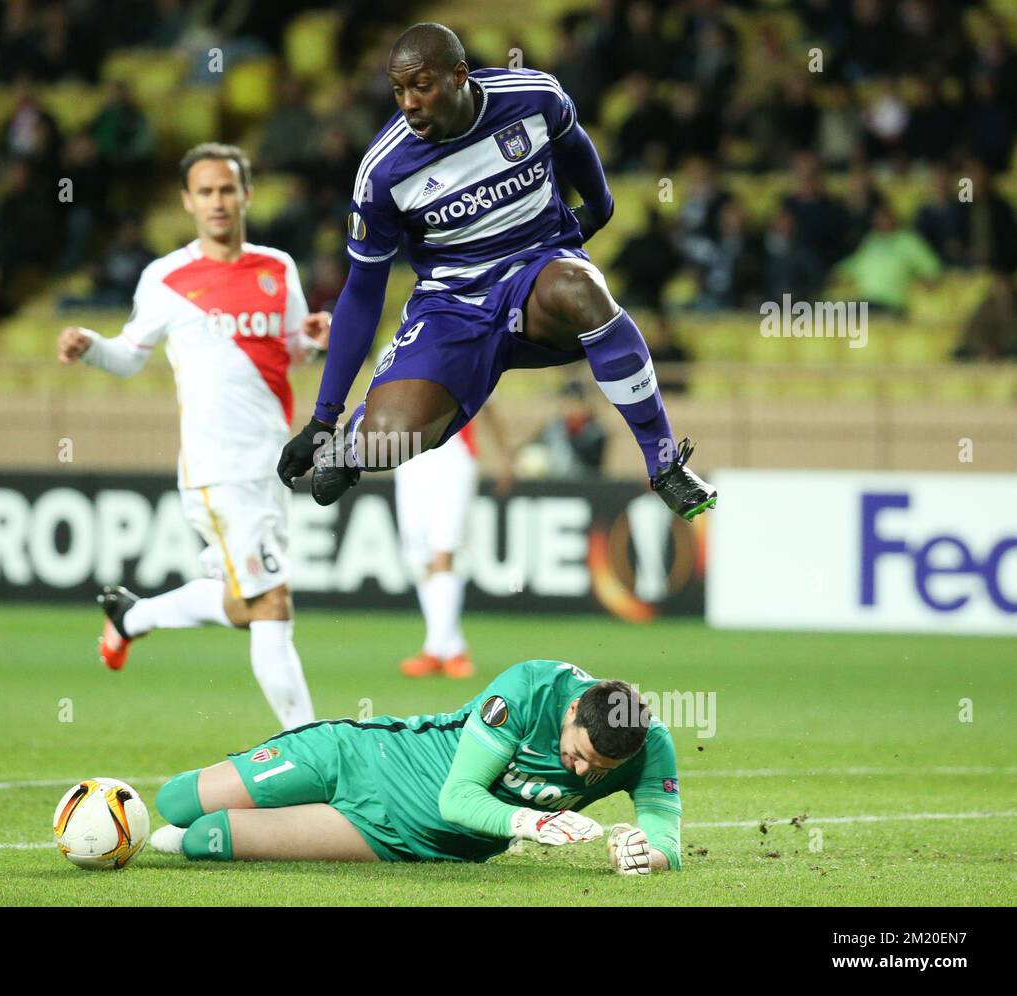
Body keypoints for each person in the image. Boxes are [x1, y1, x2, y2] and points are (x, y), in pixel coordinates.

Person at [277, 23, 715, 522]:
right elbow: (361, 293)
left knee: (582, 288)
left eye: (421, 85)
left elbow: (574, 145)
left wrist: (599, 207)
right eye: (399, 90)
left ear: (460, 75)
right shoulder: (384, 171)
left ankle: (663, 465)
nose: (409, 103)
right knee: (390, 442)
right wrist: (322, 418)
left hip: (537, 279)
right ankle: (354, 446)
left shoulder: (533, 97)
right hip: (450, 309)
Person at [56, 143, 330, 730]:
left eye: (227, 189)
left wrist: (316, 338)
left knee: (249, 601)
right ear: (187, 202)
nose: (218, 202)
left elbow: (292, 351)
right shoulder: (166, 277)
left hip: (270, 464)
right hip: (215, 467)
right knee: (273, 602)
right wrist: (92, 348)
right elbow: (129, 357)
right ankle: (311, 749)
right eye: (205, 192)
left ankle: (134, 617)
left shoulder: (277, 268)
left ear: (247, 194)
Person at [149, 658, 681, 874]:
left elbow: (668, 846)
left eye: (601, 770)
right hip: (356, 757)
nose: (584, 774)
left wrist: (643, 857)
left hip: (401, 840)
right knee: (175, 803)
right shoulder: (532, 689)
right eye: (578, 755)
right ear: (571, 711)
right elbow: (459, 796)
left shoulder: (648, 744)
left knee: (204, 840)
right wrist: (531, 823)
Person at [394, 405, 513, 680]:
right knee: (417, 559)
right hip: (409, 456)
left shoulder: (464, 360)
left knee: (443, 553)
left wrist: (504, 455)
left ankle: (435, 650)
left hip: (452, 455)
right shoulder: (390, 360)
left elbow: (488, 405)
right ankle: (452, 648)